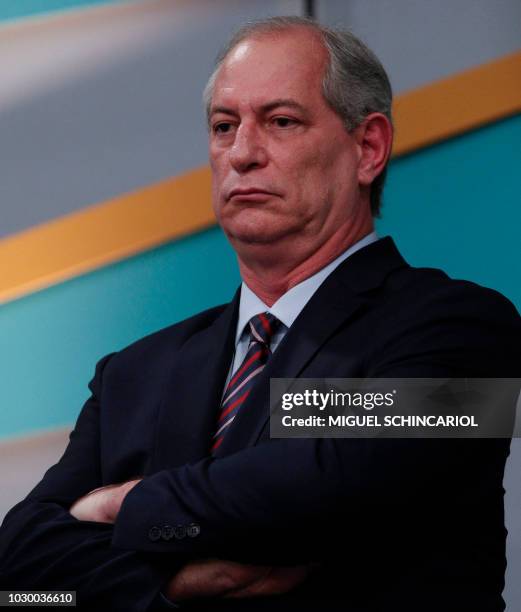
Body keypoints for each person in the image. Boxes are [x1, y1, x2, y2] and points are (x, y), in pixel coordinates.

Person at [0, 16, 520, 612]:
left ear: (367, 148)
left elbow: (328, 485)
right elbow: (22, 581)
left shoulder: (465, 328)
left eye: (281, 121)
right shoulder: (133, 375)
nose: (242, 153)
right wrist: (169, 586)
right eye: (224, 126)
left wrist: (119, 505)